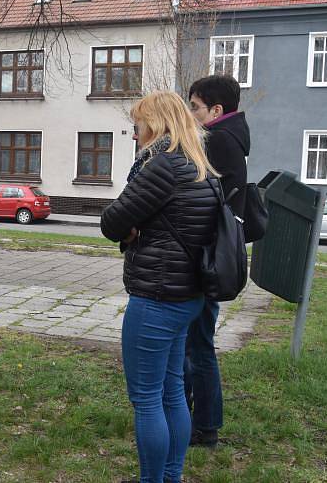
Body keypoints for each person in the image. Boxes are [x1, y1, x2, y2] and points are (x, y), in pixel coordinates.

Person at [100, 91, 220, 483]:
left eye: (138, 125)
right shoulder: (201, 167)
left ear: (156, 124)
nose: (135, 134)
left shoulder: (162, 166)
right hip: (189, 296)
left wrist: (133, 228)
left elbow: (112, 220)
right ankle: (171, 476)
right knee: (171, 392)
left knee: (148, 399)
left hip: (155, 298)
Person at [185, 75, 250, 448]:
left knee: (198, 345)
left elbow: (202, 201)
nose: (190, 113)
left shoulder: (218, 141)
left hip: (207, 256)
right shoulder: (232, 139)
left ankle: (205, 425)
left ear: (216, 110)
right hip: (215, 254)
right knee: (197, 342)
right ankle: (193, 413)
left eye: (194, 107)